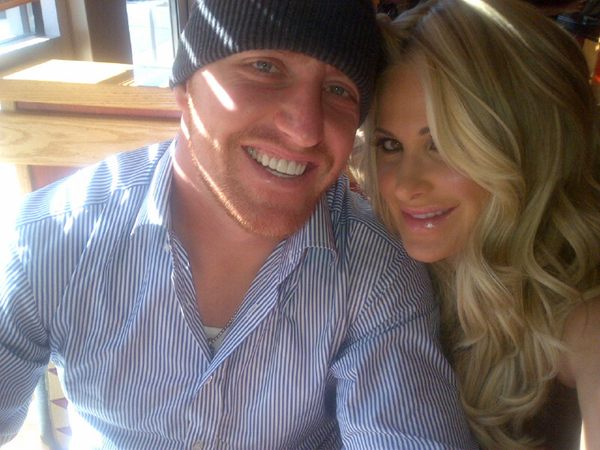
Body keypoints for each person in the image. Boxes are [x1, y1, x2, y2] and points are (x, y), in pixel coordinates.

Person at [0, 1, 478, 449]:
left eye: (338, 90)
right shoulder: (53, 237)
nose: (305, 129)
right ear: (186, 85)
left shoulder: (376, 269)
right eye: (265, 67)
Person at [351, 0, 600, 448]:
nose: (405, 186)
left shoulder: (583, 323)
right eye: (390, 145)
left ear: (527, 146)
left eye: (443, 145)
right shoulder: (380, 280)